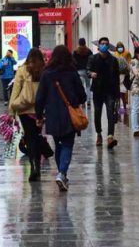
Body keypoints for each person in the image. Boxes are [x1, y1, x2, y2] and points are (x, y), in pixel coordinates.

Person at [35, 45, 86, 192]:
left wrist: (39, 115)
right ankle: (62, 173)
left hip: (52, 115)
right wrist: (76, 100)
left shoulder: (46, 73)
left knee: (58, 144)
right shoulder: (72, 72)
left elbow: (40, 98)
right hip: (69, 115)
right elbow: (82, 94)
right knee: (68, 144)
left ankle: (61, 174)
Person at [9, 48, 45, 181]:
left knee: (30, 138)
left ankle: (34, 165)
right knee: (37, 136)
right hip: (40, 110)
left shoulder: (22, 70)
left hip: (25, 110)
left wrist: (11, 110)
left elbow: (15, 91)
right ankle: (38, 167)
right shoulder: (44, 70)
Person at [88, 37, 121, 149]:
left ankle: (110, 136)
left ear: (108, 46)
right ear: (98, 46)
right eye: (102, 44)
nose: (104, 45)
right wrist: (91, 73)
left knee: (110, 114)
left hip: (110, 91)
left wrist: (117, 94)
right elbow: (88, 70)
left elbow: (116, 78)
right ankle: (99, 134)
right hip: (97, 90)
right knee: (97, 113)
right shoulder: (93, 58)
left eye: (106, 44)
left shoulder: (113, 60)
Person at [73, 39, 94, 108]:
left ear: (79, 43)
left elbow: (73, 62)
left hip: (79, 72)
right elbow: (92, 61)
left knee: (81, 87)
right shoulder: (89, 51)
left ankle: (82, 102)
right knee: (88, 86)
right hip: (87, 71)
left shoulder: (75, 52)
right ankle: (88, 102)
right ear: (85, 43)